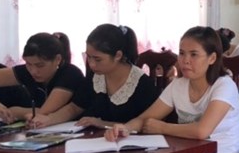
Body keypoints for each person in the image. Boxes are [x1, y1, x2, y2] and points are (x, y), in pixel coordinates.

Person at [108, 27, 239, 153]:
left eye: (194, 54)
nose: (185, 60)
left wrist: (162, 128)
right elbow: (145, 118)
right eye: (181, 53)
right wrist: (125, 128)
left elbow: (202, 131)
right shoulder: (178, 86)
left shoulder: (224, 86)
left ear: (212, 58)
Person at [30, 24, 160, 129]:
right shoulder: (96, 77)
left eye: (98, 59)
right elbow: (74, 108)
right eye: (89, 57)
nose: (91, 64)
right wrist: (49, 119)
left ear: (118, 56)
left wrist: (103, 124)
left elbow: (146, 124)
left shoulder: (142, 83)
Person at [0, 32, 84, 124]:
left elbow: (43, 113)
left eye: (40, 65)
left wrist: (15, 111)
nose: (33, 71)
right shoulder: (27, 71)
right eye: (28, 64)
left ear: (57, 59)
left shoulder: (70, 74)